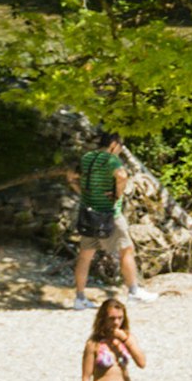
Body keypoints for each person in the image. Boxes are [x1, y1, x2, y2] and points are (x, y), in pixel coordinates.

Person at [61, 128, 130, 299]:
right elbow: (122, 176)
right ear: (114, 145)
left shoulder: (87, 158)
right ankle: (134, 291)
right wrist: (117, 194)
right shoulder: (111, 159)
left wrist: (81, 192)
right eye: (120, 147)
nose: (120, 150)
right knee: (127, 250)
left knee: (84, 257)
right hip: (110, 214)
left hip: (89, 213)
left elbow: (70, 176)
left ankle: (80, 298)